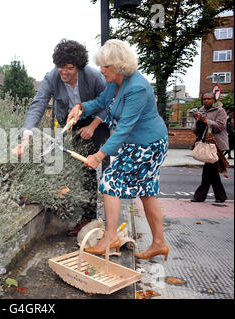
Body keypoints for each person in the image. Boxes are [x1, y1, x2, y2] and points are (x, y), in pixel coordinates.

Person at [67, 39, 169, 261]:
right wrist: (81, 108)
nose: (101, 70)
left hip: (147, 144)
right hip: (139, 142)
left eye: (106, 66)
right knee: (147, 192)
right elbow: (101, 102)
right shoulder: (115, 81)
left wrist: (98, 155)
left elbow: (123, 129)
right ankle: (159, 243)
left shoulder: (138, 88)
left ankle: (111, 237)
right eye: (101, 66)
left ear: (119, 65)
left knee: (110, 182)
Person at [11, 39, 110, 236]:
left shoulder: (94, 77)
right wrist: (25, 137)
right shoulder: (51, 78)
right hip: (69, 122)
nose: (63, 72)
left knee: (88, 167)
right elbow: (38, 105)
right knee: (68, 164)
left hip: (96, 120)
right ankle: (74, 210)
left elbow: (108, 104)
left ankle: (90, 218)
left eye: (69, 68)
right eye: (59, 67)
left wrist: (92, 126)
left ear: (79, 67)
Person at [191, 92, 229, 203]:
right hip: (206, 143)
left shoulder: (220, 111)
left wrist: (205, 121)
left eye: (209, 99)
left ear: (214, 100)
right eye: (204, 99)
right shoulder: (201, 111)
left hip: (216, 144)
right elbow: (195, 130)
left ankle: (199, 196)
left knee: (208, 170)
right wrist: (197, 120)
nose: (206, 101)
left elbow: (220, 127)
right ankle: (220, 196)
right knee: (212, 172)